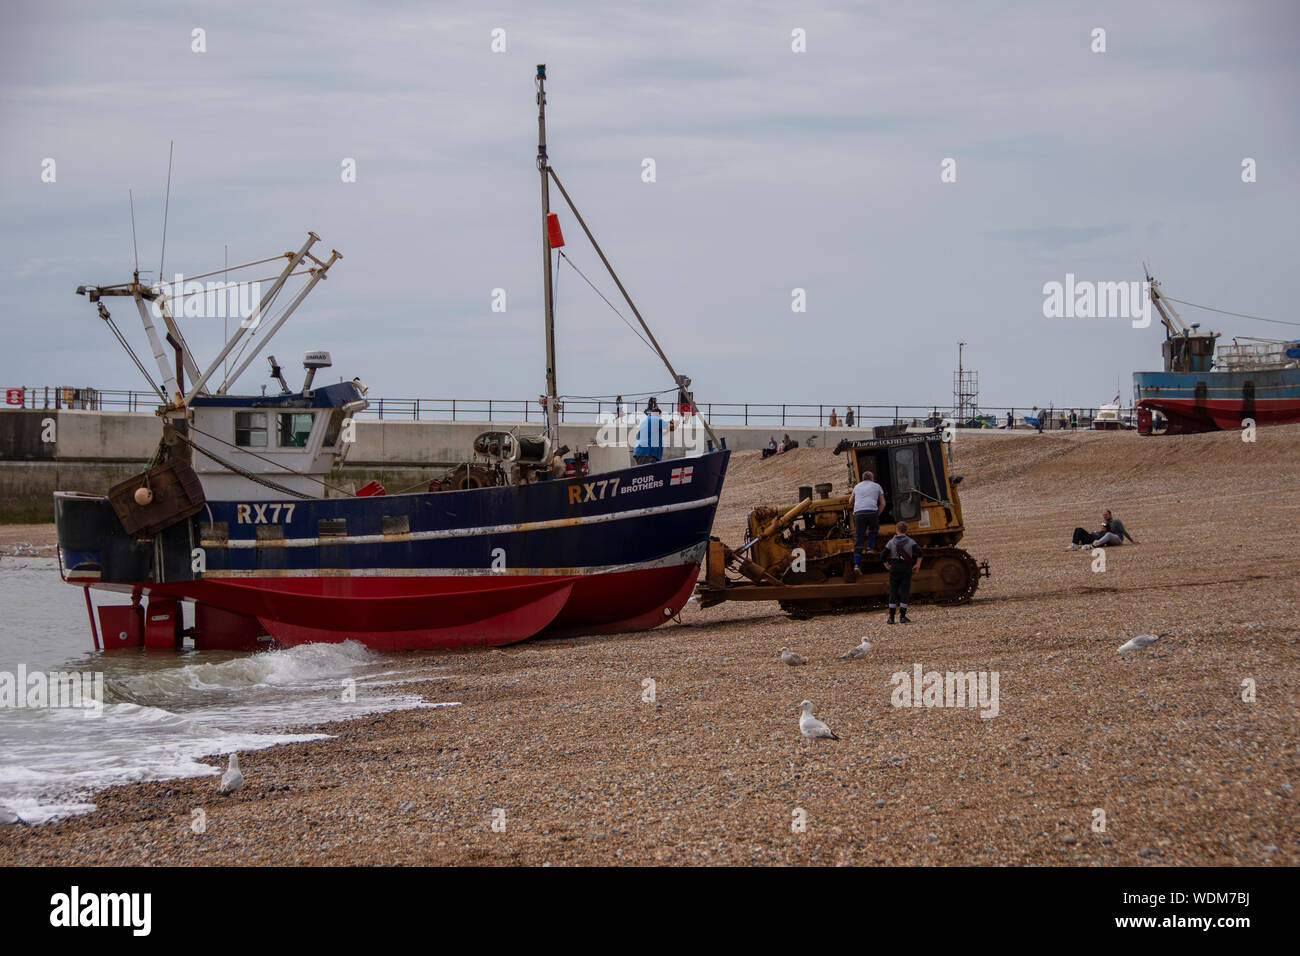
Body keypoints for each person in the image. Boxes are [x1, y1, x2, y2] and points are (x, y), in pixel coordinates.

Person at [883, 521, 922, 624]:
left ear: (896, 530)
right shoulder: (910, 541)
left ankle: (891, 618)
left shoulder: (891, 542)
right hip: (906, 569)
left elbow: (883, 555)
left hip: (894, 569)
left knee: (893, 592)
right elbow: (920, 552)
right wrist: (917, 564)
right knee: (904, 592)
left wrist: (887, 565)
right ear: (907, 530)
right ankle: (902, 617)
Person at [849, 470, 886, 572]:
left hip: (858, 514)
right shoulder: (877, 486)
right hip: (871, 512)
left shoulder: (857, 486)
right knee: (874, 529)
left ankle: (856, 565)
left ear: (863, 478)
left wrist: (857, 506)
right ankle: (869, 548)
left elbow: (850, 502)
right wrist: (877, 515)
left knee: (858, 537)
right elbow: (883, 504)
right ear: (872, 478)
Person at [1067, 509, 1139, 550]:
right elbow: (1102, 530)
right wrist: (1097, 532)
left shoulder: (1116, 521)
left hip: (1117, 539)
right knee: (1080, 530)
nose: (1105, 516)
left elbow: (1124, 531)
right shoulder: (1104, 522)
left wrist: (1132, 541)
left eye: (1106, 515)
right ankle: (1076, 544)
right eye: (1104, 515)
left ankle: (1093, 546)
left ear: (1110, 514)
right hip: (1108, 540)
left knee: (1108, 534)